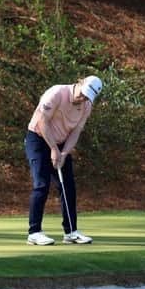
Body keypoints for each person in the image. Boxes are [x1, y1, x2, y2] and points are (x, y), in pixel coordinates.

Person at [25, 76, 102, 246]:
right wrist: (53, 149)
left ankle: (70, 232)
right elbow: (42, 121)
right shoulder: (57, 93)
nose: (82, 98)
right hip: (38, 139)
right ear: (80, 82)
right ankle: (34, 232)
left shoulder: (86, 106)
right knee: (41, 184)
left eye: (87, 97)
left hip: (60, 143)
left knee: (68, 186)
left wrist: (64, 153)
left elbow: (76, 132)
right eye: (83, 93)